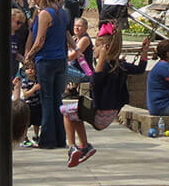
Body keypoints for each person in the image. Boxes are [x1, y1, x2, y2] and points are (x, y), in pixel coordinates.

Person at [60, 23, 151, 166]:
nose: (93, 49)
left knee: (65, 112)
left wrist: (101, 60)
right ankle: (85, 147)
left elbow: (94, 83)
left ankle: (72, 147)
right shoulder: (121, 66)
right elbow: (140, 69)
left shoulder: (104, 67)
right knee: (75, 115)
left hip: (99, 115)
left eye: (96, 46)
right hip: (112, 113)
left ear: (105, 48)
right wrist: (145, 50)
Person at [22, 0, 72, 149]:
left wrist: (28, 56)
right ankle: (60, 137)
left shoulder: (45, 14)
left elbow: (40, 40)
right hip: (60, 60)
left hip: (46, 60)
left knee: (47, 100)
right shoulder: (62, 12)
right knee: (57, 99)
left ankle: (48, 140)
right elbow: (66, 36)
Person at [15, 62, 42, 146]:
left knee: (37, 122)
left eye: (32, 69)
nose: (30, 71)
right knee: (26, 123)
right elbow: (25, 94)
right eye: (27, 69)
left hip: (37, 104)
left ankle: (36, 136)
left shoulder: (38, 80)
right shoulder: (25, 81)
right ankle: (24, 138)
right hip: (28, 105)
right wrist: (34, 89)